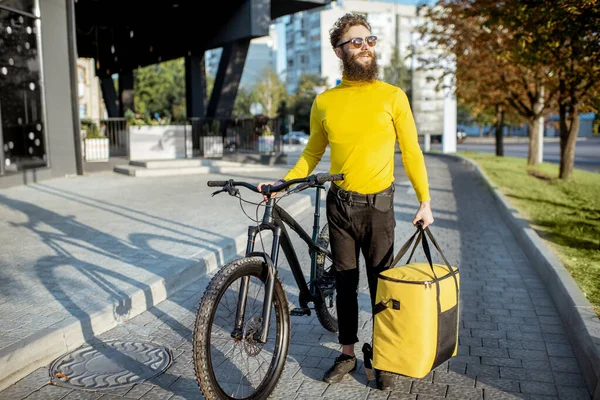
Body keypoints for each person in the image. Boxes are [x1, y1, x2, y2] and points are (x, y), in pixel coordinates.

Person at [258, 12, 433, 390]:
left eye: (370, 40)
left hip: (380, 207)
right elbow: (311, 155)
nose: (366, 46)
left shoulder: (392, 96)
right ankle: (348, 352)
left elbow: (412, 151)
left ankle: (385, 352)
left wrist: (425, 201)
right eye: (357, 41)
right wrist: (283, 182)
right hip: (340, 206)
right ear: (340, 51)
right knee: (345, 283)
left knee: (382, 286)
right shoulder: (324, 102)